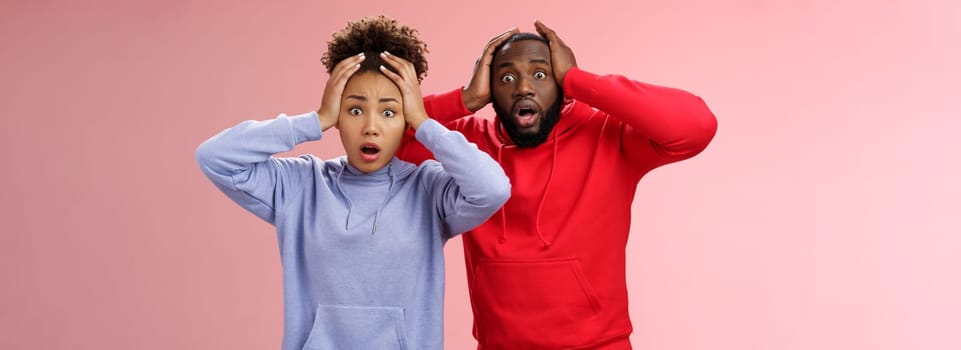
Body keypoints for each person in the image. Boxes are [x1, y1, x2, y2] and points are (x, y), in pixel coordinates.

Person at [396, 21, 718, 349]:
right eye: (506, 78)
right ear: (491, 92)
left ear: (561, 84)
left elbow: (696, 125)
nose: (523, 88)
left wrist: (579, 81)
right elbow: (388, 137)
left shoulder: (608, 136)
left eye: (541, 74)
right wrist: (465, 98)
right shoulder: (466, 145)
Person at [195, 16, 510, 350]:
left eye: (389, 112)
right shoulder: (301, 186)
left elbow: (493, 189)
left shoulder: (428, 189)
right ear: (338, 116)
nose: (370, 127)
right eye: (354, 110)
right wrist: (314, 121)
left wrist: (423, 122)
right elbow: (214, 156)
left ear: (406, 118)